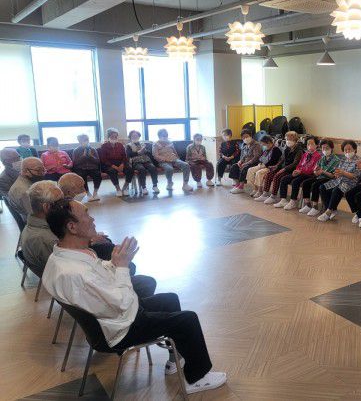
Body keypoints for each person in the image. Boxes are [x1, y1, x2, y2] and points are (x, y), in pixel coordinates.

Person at [42, 199, 226, 394]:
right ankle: (196, 378)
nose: (92, 219)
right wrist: (122, 266)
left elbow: (100, 281)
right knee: (188, 320)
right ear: (72, 227)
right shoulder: (76, 273)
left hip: (110, 318)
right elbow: (123, 302)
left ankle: (175, 360)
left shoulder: (63, 255)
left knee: (170, 299)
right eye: (86, 214)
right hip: (119, 330)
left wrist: (114, 262)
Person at [23, 180, 156, 296]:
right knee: (142, 278)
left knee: (109, 246)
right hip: (91, 289)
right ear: (47, 207)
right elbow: (78, 274)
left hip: (87, 281)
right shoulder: (45, 239)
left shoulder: (39, 226)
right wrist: (117, 266)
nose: (66, 203)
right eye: (60, 202)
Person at [318, 140, 361, 222]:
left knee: (336, 190)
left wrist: (343, 173)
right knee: (323, 187)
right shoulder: (343, 159)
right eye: (345, 150)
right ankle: (332, 209)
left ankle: (328, 212)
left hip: (351, 183)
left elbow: (356, 176)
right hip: (339, 181)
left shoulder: (358, 160)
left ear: (355, 149)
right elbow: (338, 171)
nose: (347, 151)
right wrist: (337, 174)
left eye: (349, 149)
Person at [273, 136, 322, 210]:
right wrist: (296, 171)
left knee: (295, 181)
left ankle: (293, 201)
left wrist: (300, 171)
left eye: (312, 144)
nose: (309, 146)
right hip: (300, 172)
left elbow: (312, 169)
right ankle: (283, 199)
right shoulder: (305, 154)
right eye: (308, 144)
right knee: (284, 179)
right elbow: (299, 164)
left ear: (316, 145)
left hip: (309, 175)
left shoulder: (318, 156)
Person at [299, 139, 340, 216]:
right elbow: (316, 170)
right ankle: (308, 205)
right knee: (306, 183)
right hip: (320, 177)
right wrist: (315, 171)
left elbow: (333, 176)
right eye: (323, 148)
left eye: (327, 148)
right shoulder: (322, 158)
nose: (325, 150)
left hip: (329, 178)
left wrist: (322, 171)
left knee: (315, 185)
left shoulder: (336, 160)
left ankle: (315, 207)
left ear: (331, 148)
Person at [262, 131, 304, 204]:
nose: (288, 141)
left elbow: (295, 163)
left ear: (295, 140)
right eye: (287, 139)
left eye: (290, 139)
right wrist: (276, 166)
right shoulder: (287, 148)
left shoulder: (299, 150)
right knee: (269, 174)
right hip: (284, 168)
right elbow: (282, 159)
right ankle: (265, 194)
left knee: (277, 176)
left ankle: (273, 196)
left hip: (292, 170)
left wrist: (284, 169)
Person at [100, 128, 134, 197]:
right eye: (112, 136)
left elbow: (124, 156)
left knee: (130, 170)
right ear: (108, 137)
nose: (114, 138)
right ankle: (118, 189)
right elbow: (103, 159)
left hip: (120, 163)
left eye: (115, 136)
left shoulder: (120, 145)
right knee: (112, 171)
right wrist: (113, 166)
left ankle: (124, 188)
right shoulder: (104, 146)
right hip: (109, 164)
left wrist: (122, 164)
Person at [126, 130, 159, 196]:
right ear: (130, 137)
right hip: (136, 161)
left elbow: (148, 153)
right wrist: (138, 152)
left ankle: (155, 185)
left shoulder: (142, 144)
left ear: (139, 136)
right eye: (133, 136)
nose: (135, 137)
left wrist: (145, 150)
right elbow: (129, 154)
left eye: (136, 135)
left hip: (145, 160)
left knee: (153, 167)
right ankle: (144, 187)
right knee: (141, 169)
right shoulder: (128, 145)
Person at [229, 129, 262, 194]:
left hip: (254, 163)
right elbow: (243, 156)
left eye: (247, 136)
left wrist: (246, 163)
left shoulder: (256, 145)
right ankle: (237, 185)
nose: (245, 139)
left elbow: (256, 157)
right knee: (234, 166)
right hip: (245, 163)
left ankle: (241, 187)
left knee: (244, 168)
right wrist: (240, 161)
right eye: (243, 138)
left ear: (251, 136)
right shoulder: (245, 146)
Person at [72, 134, 102, 201]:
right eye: (83, 140)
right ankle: (88, 194)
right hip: (81, 169)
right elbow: (75, 163)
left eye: (86, 140)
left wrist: (91, 156)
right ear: (79, 142)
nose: (85, 142)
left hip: (92, 168)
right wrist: (83, 156)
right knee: (82, 177)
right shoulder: (76, 150)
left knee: (98, 175)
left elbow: (97, 161)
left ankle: (95, 193)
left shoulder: (93, 149)